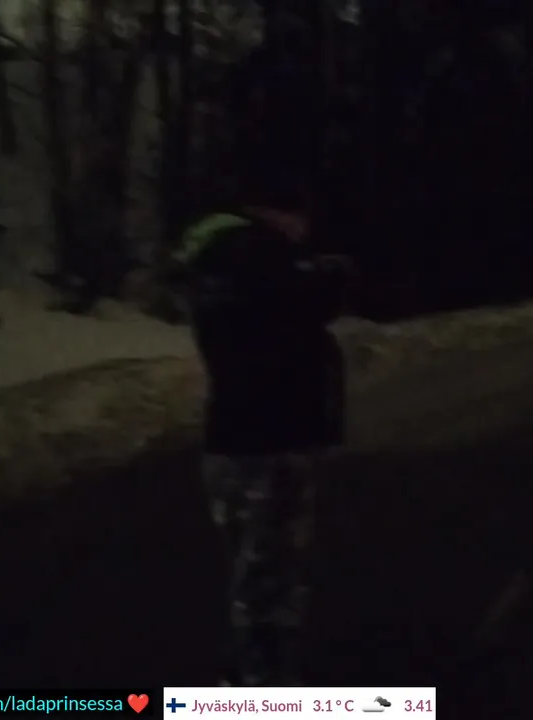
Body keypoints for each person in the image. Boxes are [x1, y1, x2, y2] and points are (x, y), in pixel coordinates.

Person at [175, 175, 352, 687]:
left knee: (256, 568)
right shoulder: (255, 257)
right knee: (270, 572)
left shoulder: (223, 261)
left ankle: (256, 674)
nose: (304, 234)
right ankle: (260, 685)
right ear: (282, 214)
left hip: (238, 437)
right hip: (270, 438)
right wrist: (327, 277)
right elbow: (301, 304)